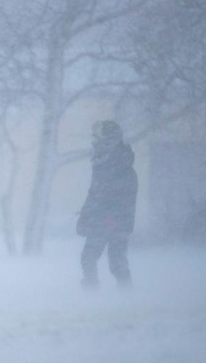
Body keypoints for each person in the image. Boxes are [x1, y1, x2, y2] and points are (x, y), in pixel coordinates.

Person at [76, 120, 138, 290]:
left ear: (110, 140)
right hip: (101, 220)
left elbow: (121, 200)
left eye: (97, 137)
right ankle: (92, 300)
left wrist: (111, 220)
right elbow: (94, 194)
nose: (93, 141)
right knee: (92, 259)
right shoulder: (102, 165)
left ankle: (125, 301)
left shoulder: (121, 167)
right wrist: (85, 215)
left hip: (112, 223)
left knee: (114, 263)